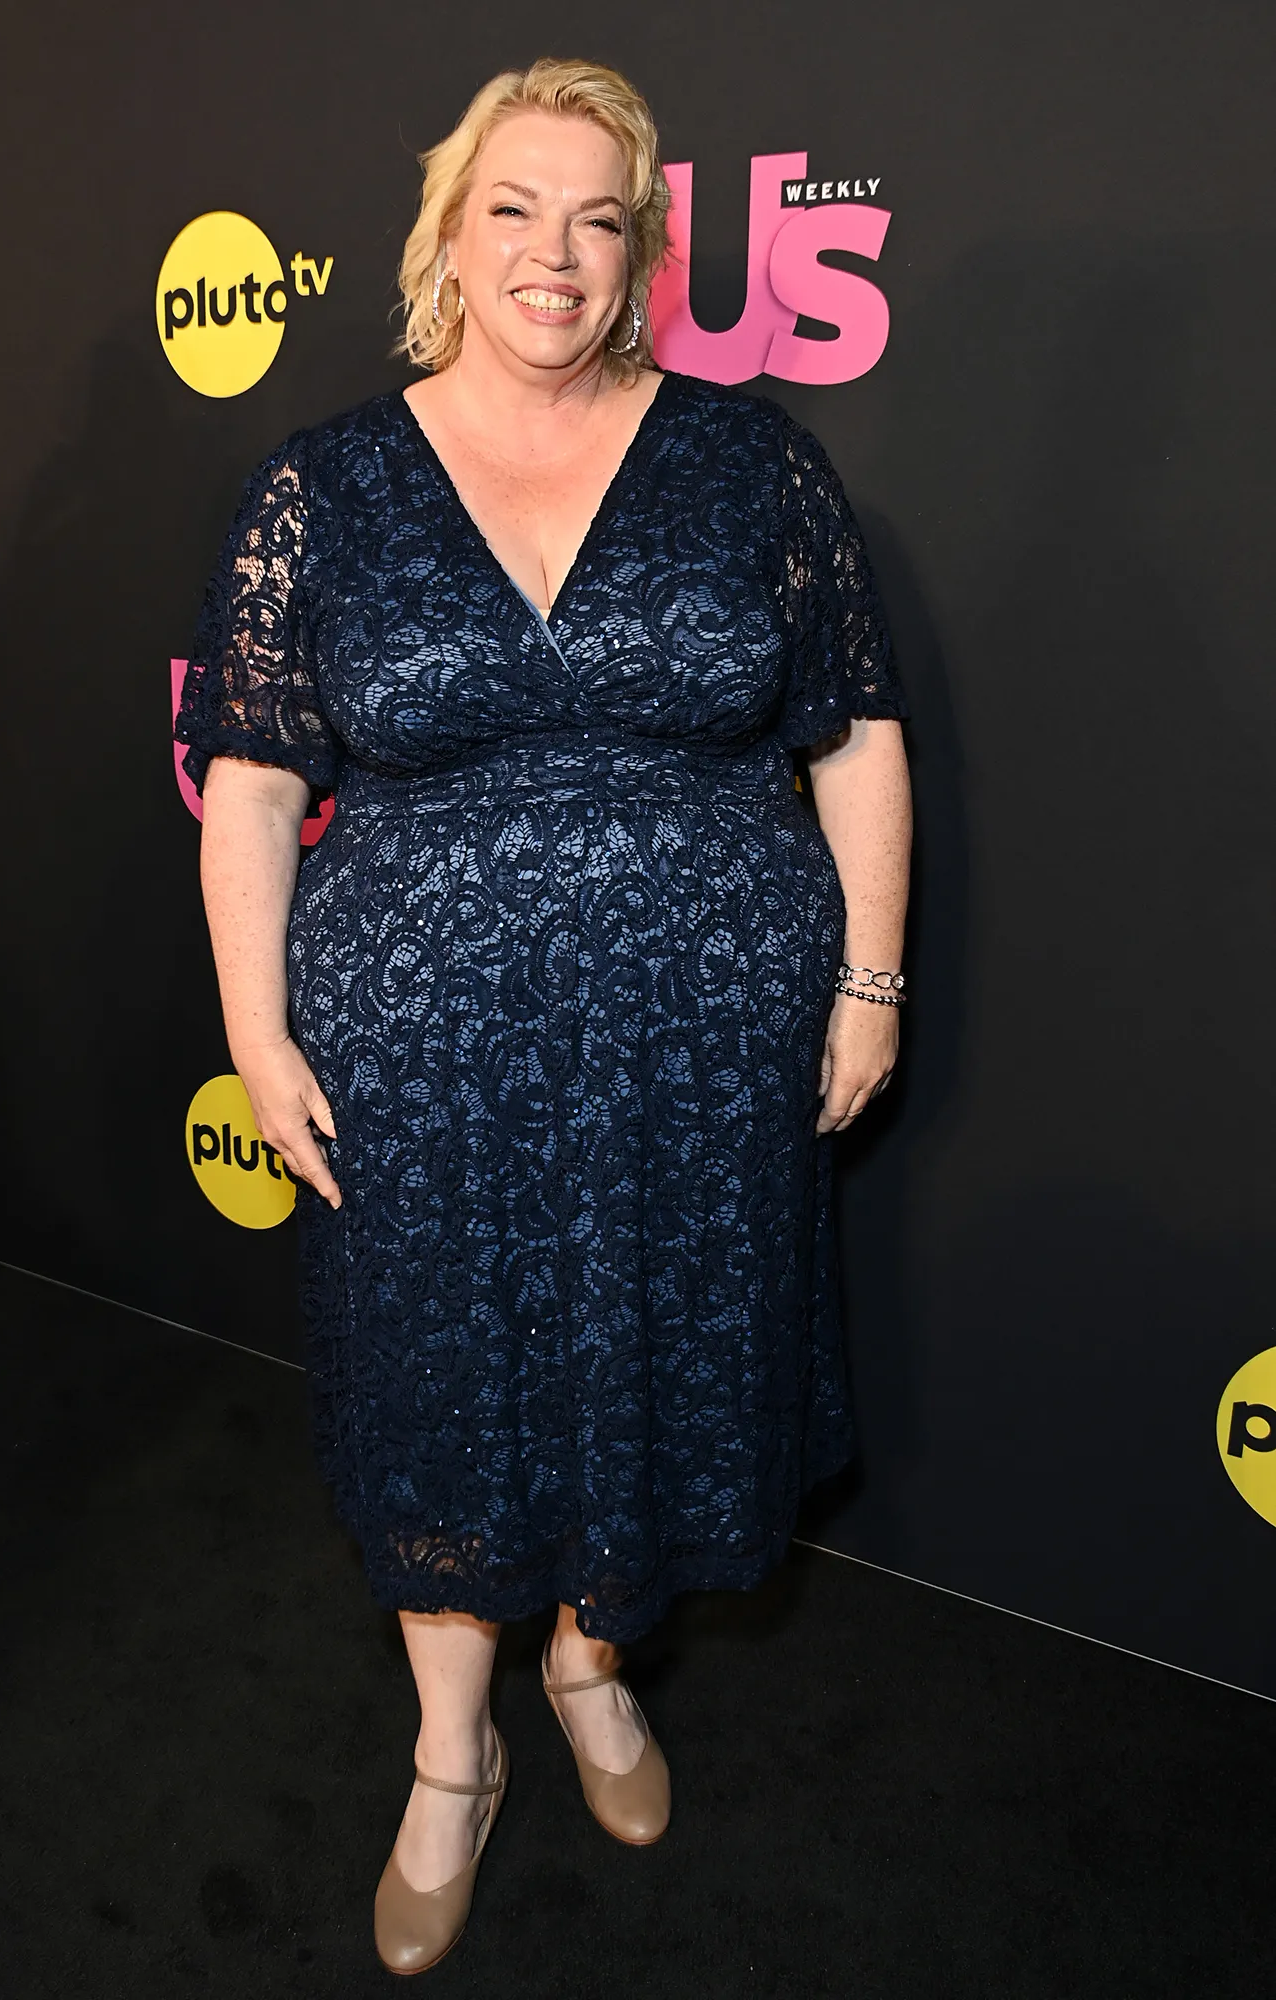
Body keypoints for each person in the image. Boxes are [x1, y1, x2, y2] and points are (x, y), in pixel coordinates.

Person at [175, 56, 911, 1976]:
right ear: (448, 236)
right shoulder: (325, 485)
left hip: (704, 1047)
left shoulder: (754, 463)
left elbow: (856, 734)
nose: (553, 254)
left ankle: (591, 1665)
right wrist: (256, 1028)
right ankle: (453, 1752)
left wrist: (868, 979)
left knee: (653, 1358)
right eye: (512, 208)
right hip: (414, 1057)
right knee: (444, 1384)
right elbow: (251, 779)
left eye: (597, 218)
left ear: (644, 250)